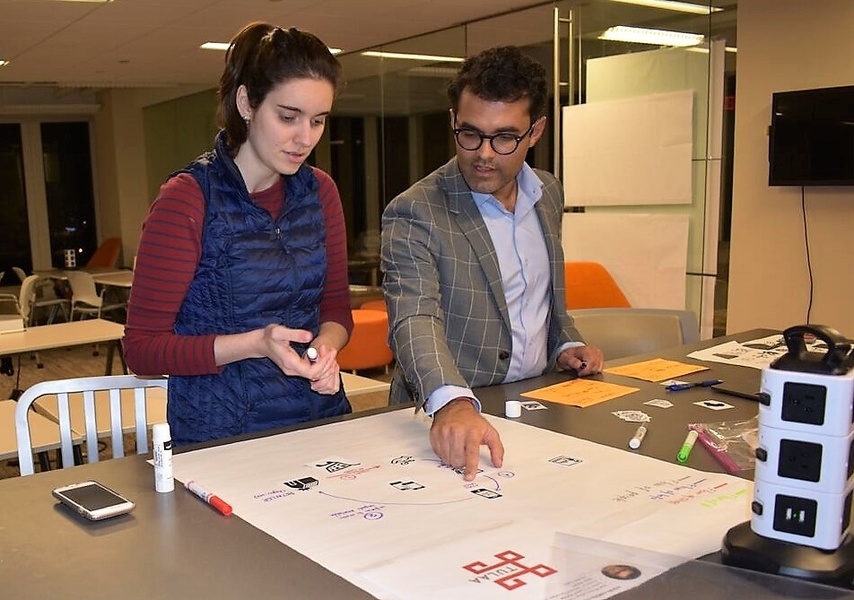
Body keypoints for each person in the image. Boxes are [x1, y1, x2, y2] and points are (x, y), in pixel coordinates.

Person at [381, 46, 604, 481]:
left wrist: (565, 343)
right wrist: (453, 402)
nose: (483, 153)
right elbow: (414, 317)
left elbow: (539, 296)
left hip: (536, 404)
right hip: (449, 415)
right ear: (453, 120)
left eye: (504, 137)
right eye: (470, 133)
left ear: (535, 131)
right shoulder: (416, 210)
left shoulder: (547, 192)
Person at [124, 22, 353, 446]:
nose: (305, 138)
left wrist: (325, 351)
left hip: (318, 421)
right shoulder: (188, 199)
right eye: (288, 117)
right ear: (246, 102)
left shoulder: (321, 192)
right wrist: (255, 343)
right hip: (221, 436)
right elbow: (142, 350)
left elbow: (337, 308)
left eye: (318, 120)